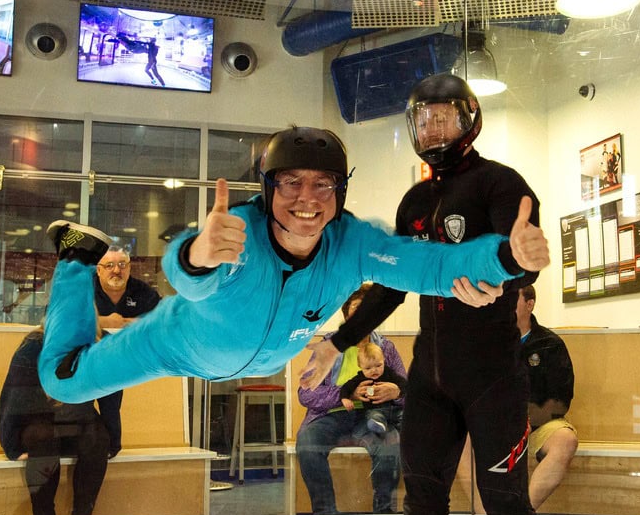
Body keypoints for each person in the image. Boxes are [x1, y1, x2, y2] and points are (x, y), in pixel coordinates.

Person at [303, 74, 564, 515]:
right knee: (421, 511)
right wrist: (338, 342)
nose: (432, 127)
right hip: (431, 381)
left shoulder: (502, 183)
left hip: (493, 376)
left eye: (443, 115)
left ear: (469, 118)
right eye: (422, 118)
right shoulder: (415, 202)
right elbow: (394, 286)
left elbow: (518, 257)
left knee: (507, 509)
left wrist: (516, 266)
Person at [36, 125, 549, 406]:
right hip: (174, 345)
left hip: (264, 360)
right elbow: (187, 278)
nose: (307, 199)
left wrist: (506, 255)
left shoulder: (351, 243)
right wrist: (197, 255)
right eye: (290, 183)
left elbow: (430, 263)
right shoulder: (239, 232)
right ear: (268, 188)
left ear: (340, 192)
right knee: (63, 381)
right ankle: (78, 255)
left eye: (323, 184)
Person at [0, 326, 121, 515]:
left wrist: (113, 442)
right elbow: (13, 396)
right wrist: (10, 445)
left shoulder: (102, 344)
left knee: (98, 438)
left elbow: (111, 397)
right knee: (42, 437)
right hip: (39, 419)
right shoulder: (34, 346)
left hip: (79, 420)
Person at [297, 285, 408, 514]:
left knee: (390, 444)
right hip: (332, 416)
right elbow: (305, 393)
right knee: (308, 443)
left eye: (369, 309)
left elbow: (409, 393)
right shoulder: (329, 346)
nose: (362, 315)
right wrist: (343, 395)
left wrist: (396, 392)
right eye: (357, 309)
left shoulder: (386, 348)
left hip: (374, 416)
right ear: (346, 315)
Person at [516, 284, 578, 510]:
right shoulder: (489, 344)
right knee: (461, 437)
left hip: (538, 424)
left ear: (529, 304)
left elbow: (561, 397)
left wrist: (530, 420)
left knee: (566, 440)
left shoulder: (550, 344)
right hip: (498, 427)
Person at [338, 343, 407, 436]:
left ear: (384, 360)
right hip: (373, 410)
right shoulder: (360, 378)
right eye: (368, 368)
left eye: (378, 366)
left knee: (403, 415)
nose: (374, 370)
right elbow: (347, 387)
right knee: (373, 417)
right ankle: (378, 427)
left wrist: (398, 390)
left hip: (393, 408)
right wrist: (345, 398)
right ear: (360, 366)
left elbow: (404, 383)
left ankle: (404, 428)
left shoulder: (389, 373)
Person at [93, 244, 160, 330]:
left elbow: (160, 323)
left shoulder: (147, 294)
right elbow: (71, 323)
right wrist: (104, 321)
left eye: (122, 265)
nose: (117, 270)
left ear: (129, 268)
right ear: (98, 270)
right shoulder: (83, 290)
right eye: (109, 265)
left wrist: (123, 322)